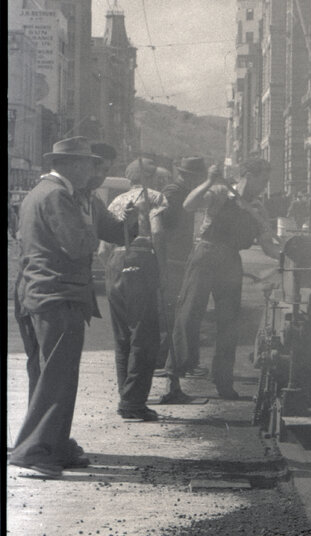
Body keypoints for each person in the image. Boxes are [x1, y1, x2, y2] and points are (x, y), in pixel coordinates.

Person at [9, 138, 138, 478]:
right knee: (57, 377)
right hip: (56, 294)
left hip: (40, 293)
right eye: (87, 164)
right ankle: (36, 451)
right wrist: (89, 219)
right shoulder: (57, 196)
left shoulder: (59, 194)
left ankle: (53, 442)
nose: (93, 171)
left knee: (48, 375)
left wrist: (134, 216)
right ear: (67, 165)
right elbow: (79, 244)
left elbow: (113, 230)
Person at [169, 158, 280, 401]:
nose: (265, 185)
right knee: (188, 316)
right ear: (249, 175)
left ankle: (224, 382)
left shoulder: (258, 209)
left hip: (230, 260)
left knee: (229, 324)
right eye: (263, 179)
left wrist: (285, 257)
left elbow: (268, 245)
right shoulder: (220, 192)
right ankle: (174, 381)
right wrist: (209, 181)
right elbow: (189, 205)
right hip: (206, 254)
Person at [103, 160, 168, 421]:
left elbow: (102, 248)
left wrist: (114, 268)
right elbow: (159, 234)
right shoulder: (153, 197)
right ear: (151, 178)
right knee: (144, 335)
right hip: (142, 260)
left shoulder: (116, 201)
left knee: (122, 338)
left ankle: (126, 396)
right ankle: (133, 403)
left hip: (115, 263)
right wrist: (162, 270)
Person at [152, 157, 208, 403]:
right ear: (188, 175)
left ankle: (172, 369)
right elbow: (162, 230)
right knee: (172, 317)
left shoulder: (181, 192)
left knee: (176, 316)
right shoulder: (174, 194)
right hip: (172, 261)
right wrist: (164, 262)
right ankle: (167, 373)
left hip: (178, 259)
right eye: (197, 176)